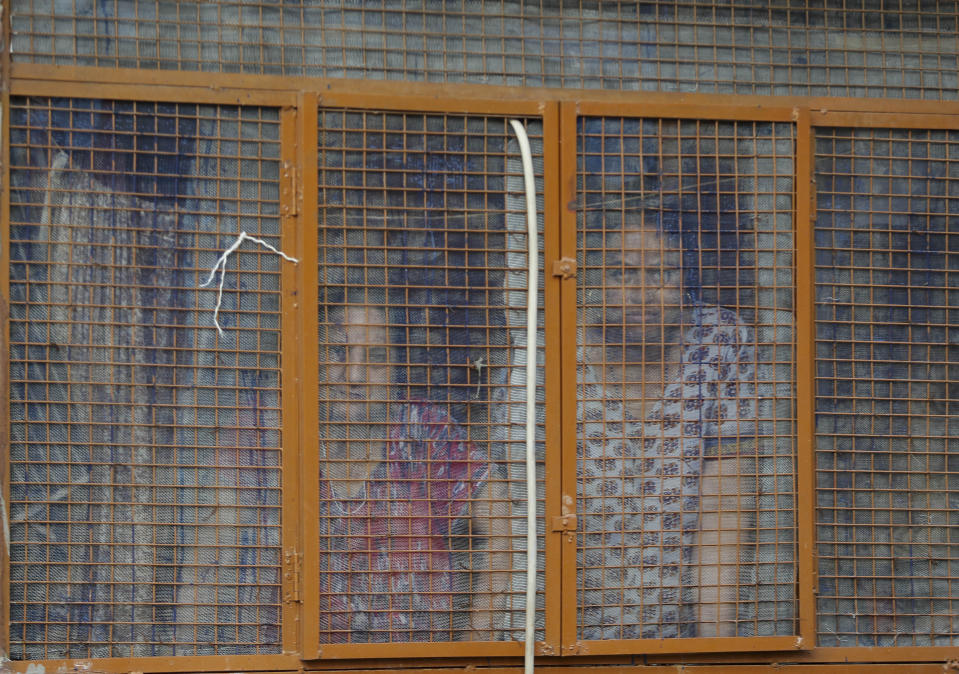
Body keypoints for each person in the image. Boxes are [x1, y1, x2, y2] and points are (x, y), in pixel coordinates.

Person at [578, 207, 756, 640]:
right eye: (622, 274)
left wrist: (714, 644)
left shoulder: (719, 340)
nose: (643, 293)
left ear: (687, 277)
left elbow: (723, 502)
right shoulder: (554, 344)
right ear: (591, 279)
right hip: (565, 624)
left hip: (672, 627)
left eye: (663, 273)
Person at [317, 302, 511, 644]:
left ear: (397, 367)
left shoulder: (425, 433)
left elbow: (505, 532)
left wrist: (474, 646)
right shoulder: (274, 431)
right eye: (338, 351)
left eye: (375, 358)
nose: (354, 376)